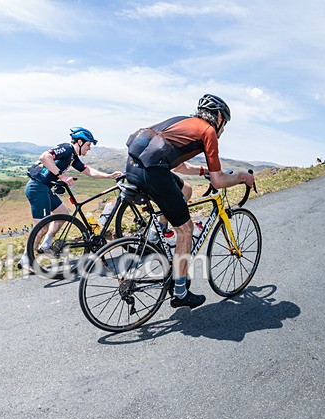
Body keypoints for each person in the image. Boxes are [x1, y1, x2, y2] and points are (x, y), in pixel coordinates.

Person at [124, 94, 256, 308]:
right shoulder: (208, 131)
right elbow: (219, 181)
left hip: (132, 166)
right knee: (186, 230)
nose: (223, 129)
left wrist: (204, 171)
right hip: (153, 173)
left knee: (185, 189)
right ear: (219, 118)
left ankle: (154, 237)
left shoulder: (183, 122)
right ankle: (180, 292)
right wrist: (241, 177)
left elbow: (179, 167)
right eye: (225, 124)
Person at [25, 127, 123, 255]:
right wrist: (62, 176)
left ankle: (45, 245)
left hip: (45, 188)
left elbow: (88, 171)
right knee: (42, 227)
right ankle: (26, 258)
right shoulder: (67, 148)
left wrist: (109, 176)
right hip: (37, 187)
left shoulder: (73, 157)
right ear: (80, 142)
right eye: (88, 145)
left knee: (63, 213)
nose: (89, 148)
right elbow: (45, 157)